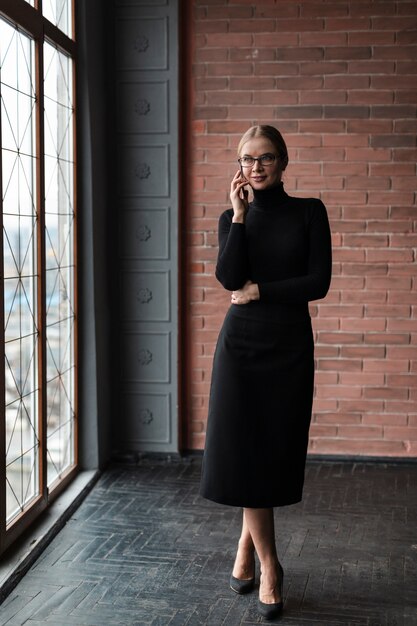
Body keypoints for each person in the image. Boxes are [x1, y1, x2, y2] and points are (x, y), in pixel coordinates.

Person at [199, 125, 332, 620]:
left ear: (283, 161)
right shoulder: (231, 218)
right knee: (244, 454)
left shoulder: (309, 212)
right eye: (248, 159)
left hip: (288, 346)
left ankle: (244, 551)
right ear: (239, 165)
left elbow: (318, 282)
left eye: (266, 158)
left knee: (268, 455)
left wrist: (263, 291)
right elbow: (229, 279)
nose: (257, 167)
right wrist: (238, 217)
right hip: (240, 349)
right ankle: (271, 566)